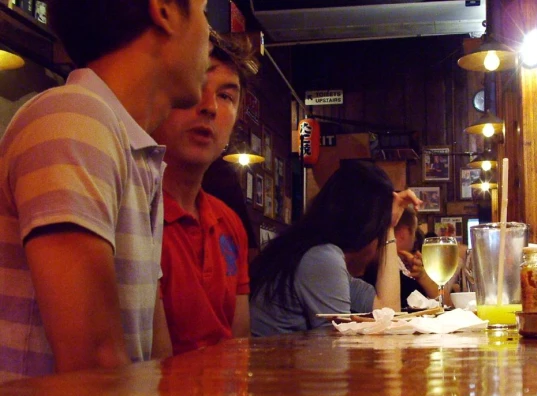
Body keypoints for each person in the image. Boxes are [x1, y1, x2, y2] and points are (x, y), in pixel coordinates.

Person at [0, 0, 211, 376]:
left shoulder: (137, 154)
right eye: (204, 11)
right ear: (163, 10)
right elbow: (94, 363)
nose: (210, 38)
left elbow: (155, 361)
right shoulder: (74, 119)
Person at [152, 33, 253, 355]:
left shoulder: (229, 222)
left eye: (226, 96)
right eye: (196, 85)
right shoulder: (134, 210)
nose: (209, 107)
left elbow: (238, 346)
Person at [249, 160, 420, 336]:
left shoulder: (313, 252)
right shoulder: (321, 258)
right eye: (379, 232)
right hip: (267, 362)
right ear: (365, 229)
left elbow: (388, 313)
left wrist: (389, 225)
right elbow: (339, 348)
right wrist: (387, 226)